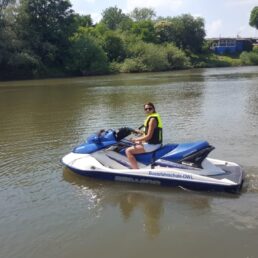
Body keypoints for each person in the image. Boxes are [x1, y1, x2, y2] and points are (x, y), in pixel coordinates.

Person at [125, 102, 163, 169]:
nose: (148, 110)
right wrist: (139, 132)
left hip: (153, 145)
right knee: (132, 143)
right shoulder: (152, 117)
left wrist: (135, 139)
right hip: (154, 143)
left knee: (128, 151)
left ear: (153, 109)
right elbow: (148, 132)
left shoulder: (152, 119)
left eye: (149, 108)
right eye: (146, 109)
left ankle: (136, 170)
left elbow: (149, 136)